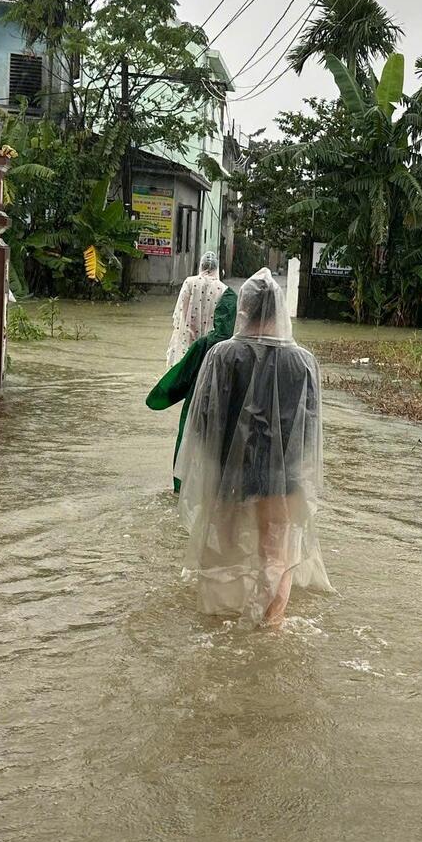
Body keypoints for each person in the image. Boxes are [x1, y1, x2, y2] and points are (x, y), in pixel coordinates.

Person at [176, 270, 330, 626]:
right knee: (276, 553)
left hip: (230, 472)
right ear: (279, 311)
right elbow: (309, 430)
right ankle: (271, 624)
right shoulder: (304, 362)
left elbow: (203, 421)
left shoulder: (222, 356)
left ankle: (220, 618)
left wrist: (215, 467)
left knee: (221, 546)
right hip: (283, 476)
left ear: (243, 309)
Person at [145, 281, 237, 491]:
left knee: (191, 452)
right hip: (231, 412)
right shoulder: (245, 348)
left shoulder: (205, 344)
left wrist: (159, 397)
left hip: (199, 408)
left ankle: (182, 491)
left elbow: (180, 377)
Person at [166, 251, 226, 367]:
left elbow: (183, 310)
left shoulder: (189, 282)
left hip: (188, 336)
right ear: (217, 268)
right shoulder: (223, 289)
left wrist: (188, 331)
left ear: (201, 265)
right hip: (210, 342)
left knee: (186, 369)